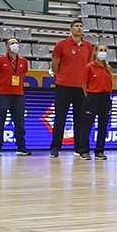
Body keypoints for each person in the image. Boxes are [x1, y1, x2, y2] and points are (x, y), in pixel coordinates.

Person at [48, 19, 93, 158]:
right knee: (60, 117)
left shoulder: (88, 46)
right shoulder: (61, 44)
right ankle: (55, 147)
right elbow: (55, 65)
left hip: (81, 87)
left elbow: (90, 65)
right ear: (71, 29)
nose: (79, 28)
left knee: (80, 118)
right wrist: (62, 75)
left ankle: (79, 148)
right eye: (76, 26)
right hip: (64, 86)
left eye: (80, 26)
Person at [0, 36, 29, 156]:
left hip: (18, 95)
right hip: (2, 95)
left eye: (16, 42)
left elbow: (23, 76)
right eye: (12, 43)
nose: (15, 45)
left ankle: (21, 147)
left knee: (19, 122)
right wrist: (1, 87)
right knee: (0, 122)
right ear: (7, 46)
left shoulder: (24, 61)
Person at [80, 44, 114, 160]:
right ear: (95, 52)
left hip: (105, 98)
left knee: (103, 126)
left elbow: (110, 83)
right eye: (101, 50)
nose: (103, 52)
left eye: (105, 50)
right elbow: (84, 84)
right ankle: (84, 151)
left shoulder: (108, 68)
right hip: (92, 97)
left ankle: (99, 150)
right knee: (86, 126)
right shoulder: (89, 67)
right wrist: (89, 97)